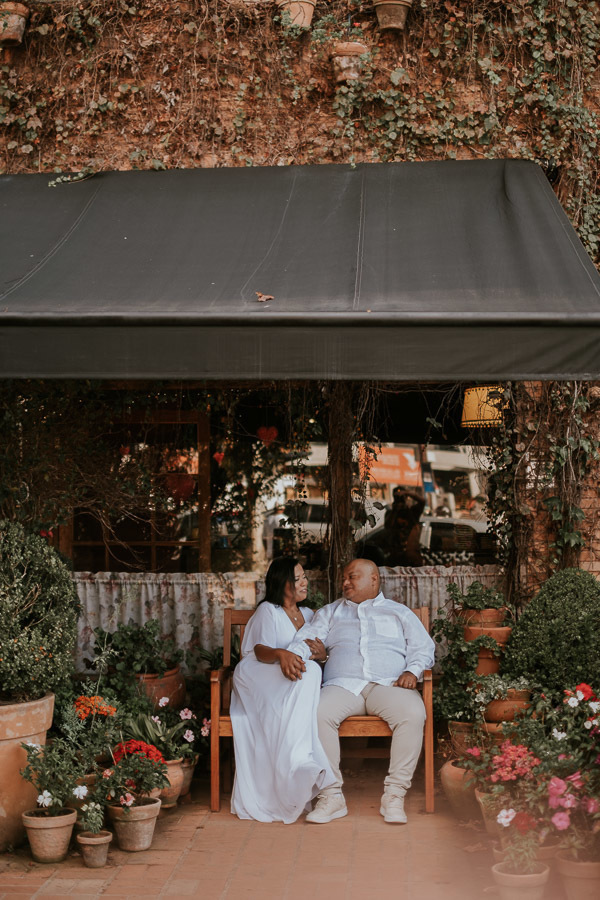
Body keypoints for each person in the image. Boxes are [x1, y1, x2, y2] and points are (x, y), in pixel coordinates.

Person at [287, 558, 435, 825]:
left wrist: (412, 671)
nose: (345, 583)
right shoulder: (331, 612)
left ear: (373, 579)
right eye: (344, 578)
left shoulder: (398, 612)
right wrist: (300, 656)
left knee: (413, 712)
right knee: (317, 712)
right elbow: (305, 641)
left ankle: (394, 795)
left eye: (352, 577)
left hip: (389, 684)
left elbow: (423, 649)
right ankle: (331, 796)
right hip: (343, 685)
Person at [230, 556, 335, 823]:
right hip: (260, 674)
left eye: (304, 577)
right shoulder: (269, 610)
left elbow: (317, 652)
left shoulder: (310, 615)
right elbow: (258, 650)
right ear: (283, 583)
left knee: (312, 668)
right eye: (298, 578)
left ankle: (298, 760)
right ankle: (299, 760)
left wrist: (323, 655)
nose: (304, 582)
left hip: (292, 680)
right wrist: (281, 654)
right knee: (309, 670)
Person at [383, 487, 426, 566]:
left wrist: (408, 493)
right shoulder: (391, 513)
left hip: (410, 552)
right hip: (396, 553)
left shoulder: (413, 511)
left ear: (406, 497)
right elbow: (388, 526)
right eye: (397, 497)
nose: (400, 499)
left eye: (402, 497)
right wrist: (395, 510)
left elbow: (422, 501)